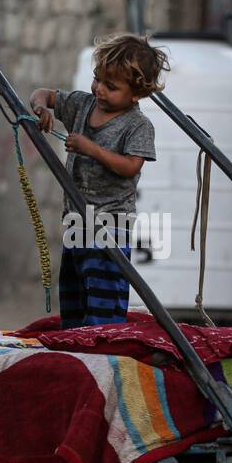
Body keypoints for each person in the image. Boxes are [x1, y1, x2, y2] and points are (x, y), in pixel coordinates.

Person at [29, 33, 167, 328]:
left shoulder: (137, 125)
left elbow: (130, 166)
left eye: (111, 86)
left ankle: (104, 355)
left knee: (104, 302)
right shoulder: (82, 105)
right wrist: (41, 109)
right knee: (74, 296)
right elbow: (42, 93)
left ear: (136, 94)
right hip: (76, 221)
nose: (99, 90)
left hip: (111, 226)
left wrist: (91, 149)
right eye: (97, 80)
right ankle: (78, 352)